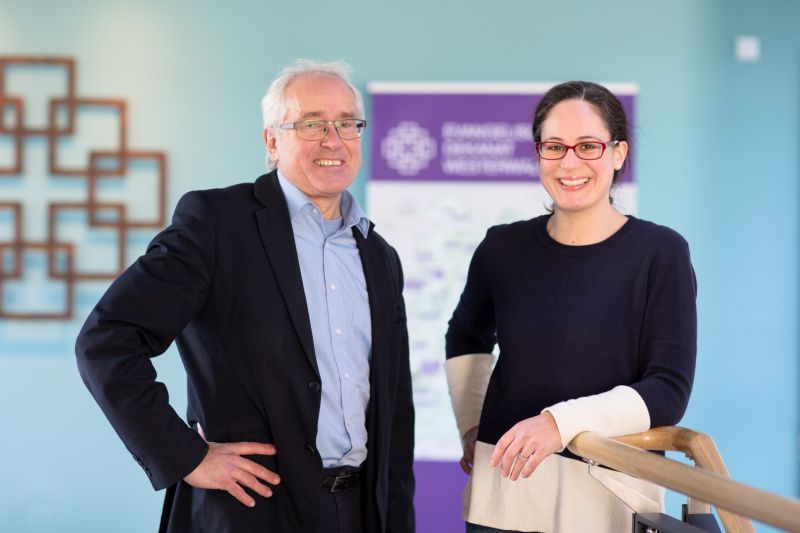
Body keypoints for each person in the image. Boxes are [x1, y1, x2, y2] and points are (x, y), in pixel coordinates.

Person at [76, 59, 415, 533]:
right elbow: (108, 339)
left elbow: (394, 410)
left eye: (347, 124)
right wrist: (185, 456)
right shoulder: (216, 223)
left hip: (359, 512)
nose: (333, 140)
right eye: (312, 123)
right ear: (272, 141)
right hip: (250, 511)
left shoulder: (379, 255)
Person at [444, 81, 697, 532]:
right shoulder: (502, 247)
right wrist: (470, 425)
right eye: (554, 146)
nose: (570, 162)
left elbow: (668, 390)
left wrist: (557, 423)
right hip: (505, 496)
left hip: (609, 499)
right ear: (538, 153)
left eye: (588, 146)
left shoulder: (661, 253)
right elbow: (465, 335)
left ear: (618, 153)